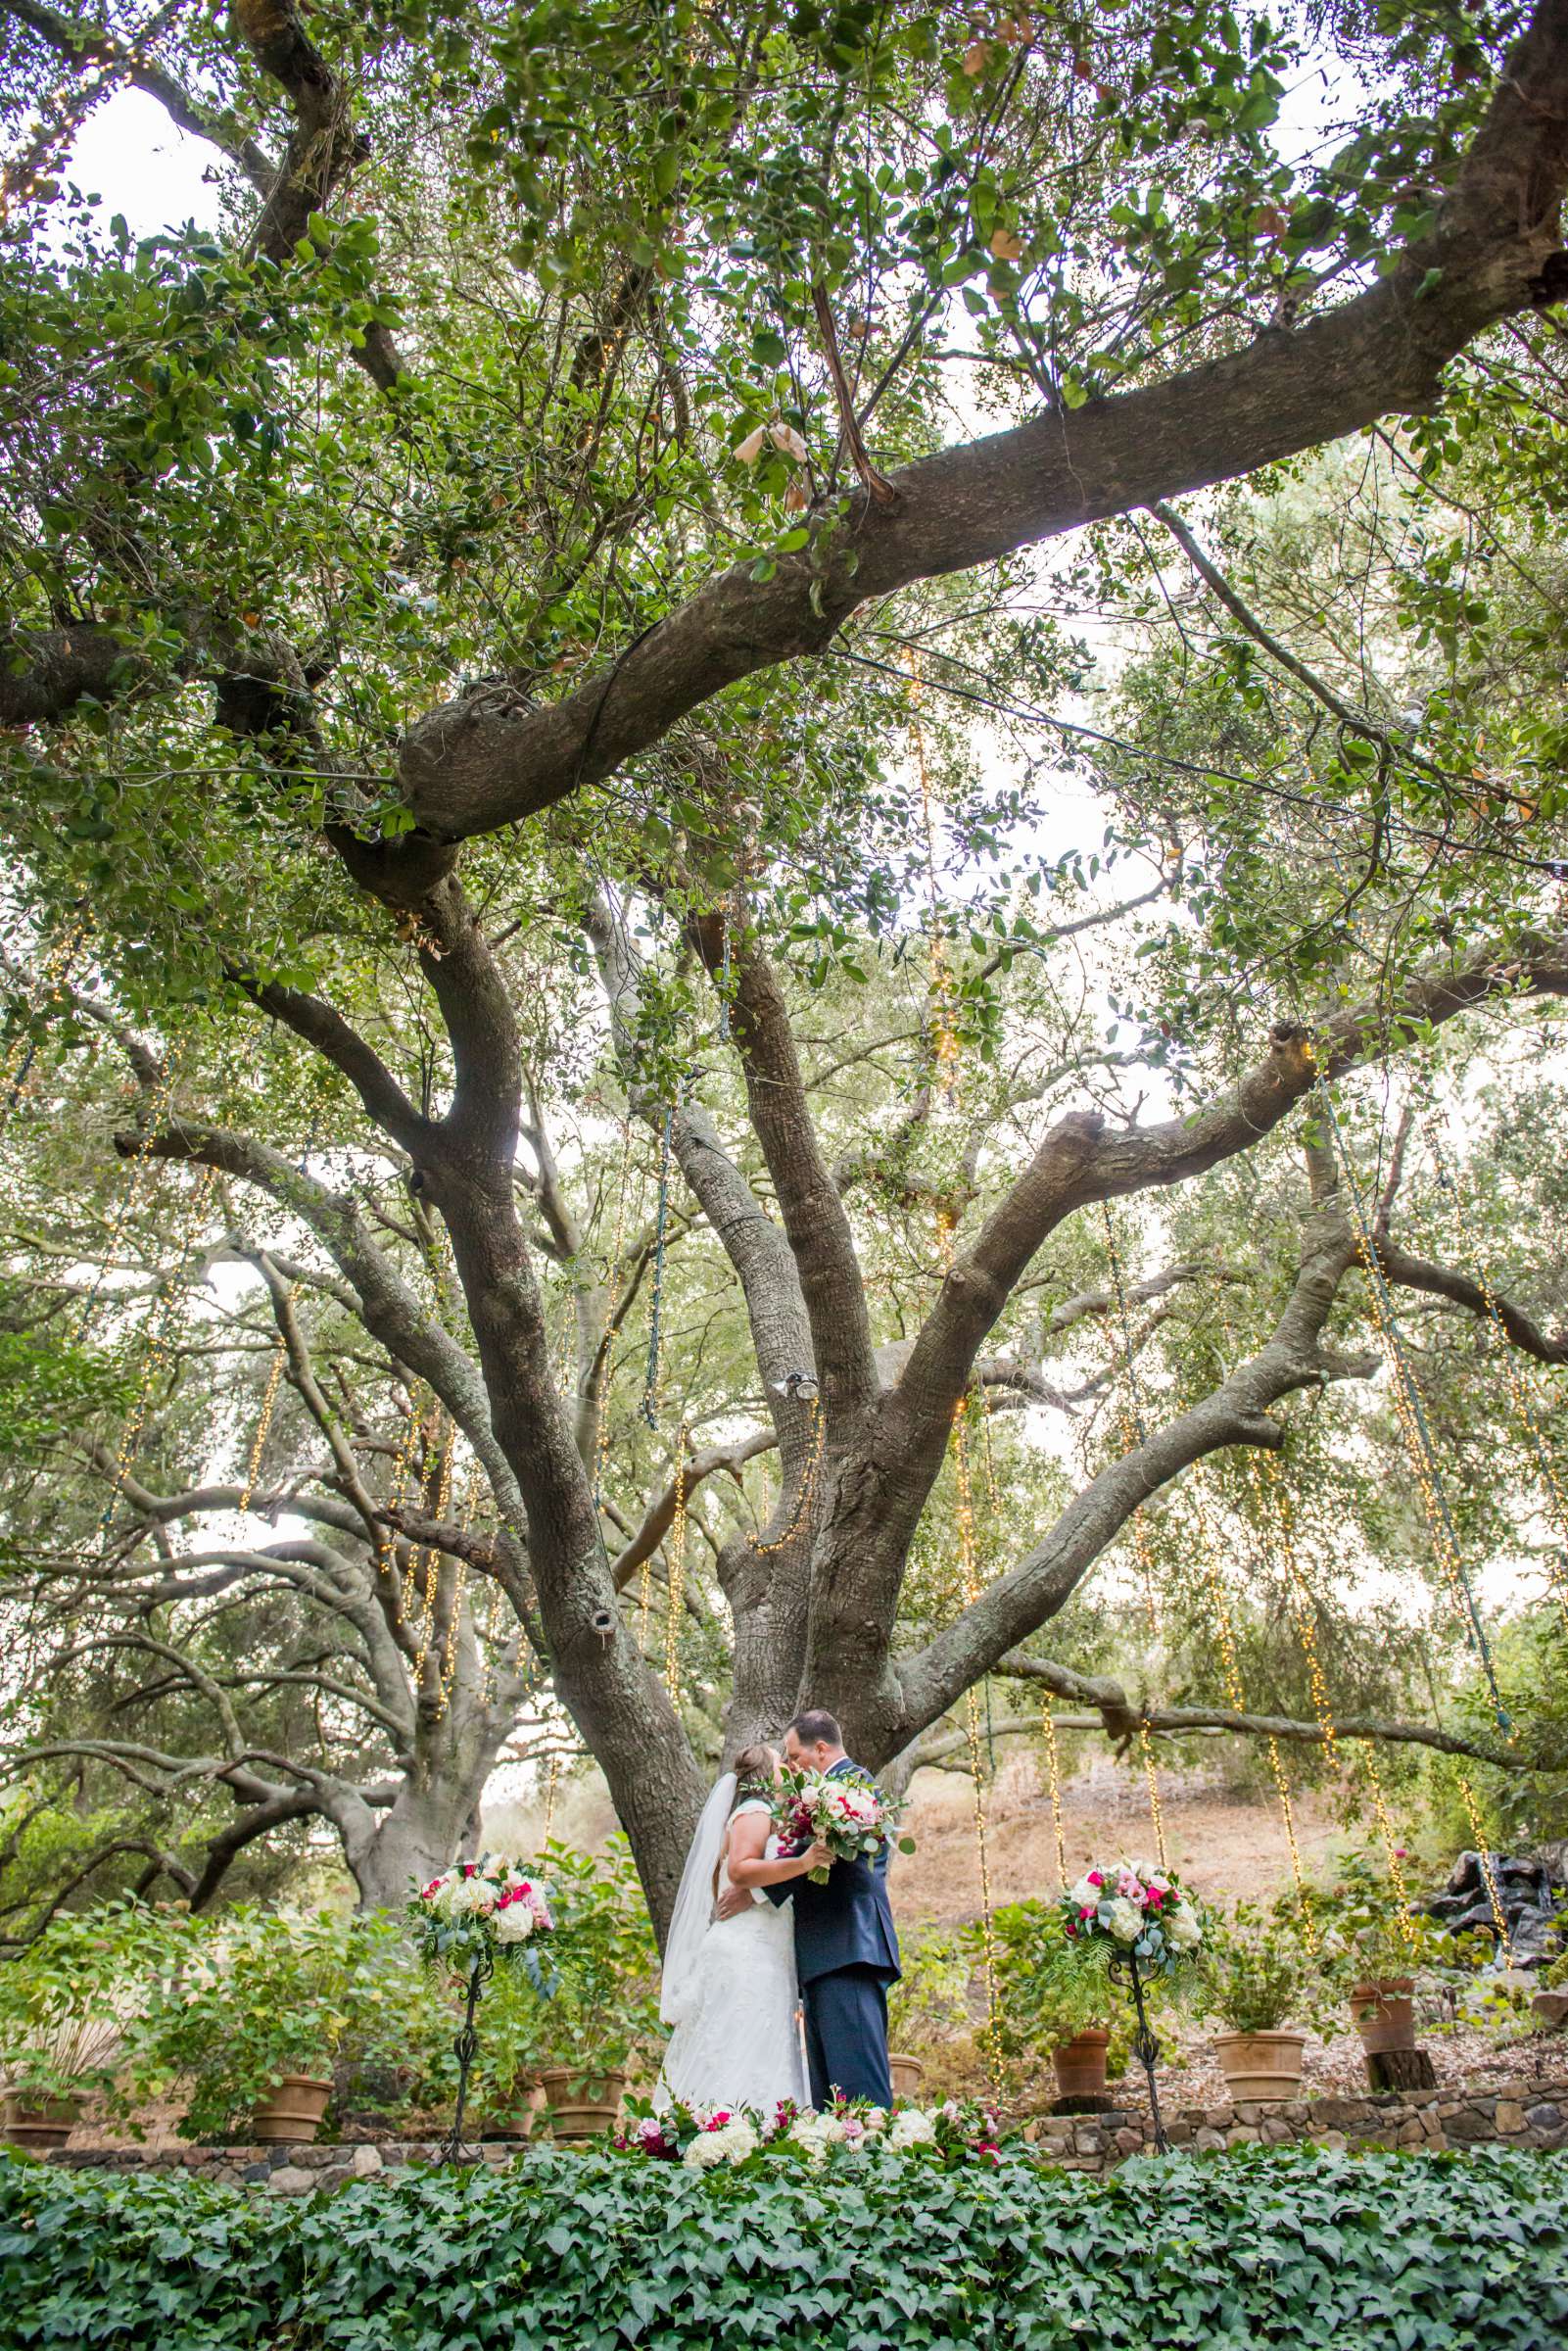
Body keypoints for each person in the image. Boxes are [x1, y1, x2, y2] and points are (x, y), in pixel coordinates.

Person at [723, 1707, 900, 2108]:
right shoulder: (819, 1796)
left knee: (857, 2084)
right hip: (823, 1954)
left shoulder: (853, 1786)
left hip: (850, 1947)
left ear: (820, 1749)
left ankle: (875, 2161)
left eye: (793, 1756)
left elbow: (828, 1856)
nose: (787, 1765)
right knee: (828, 2090)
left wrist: (756, 1891)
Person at [655, 1742, 830, 2113]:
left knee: (756, 2044)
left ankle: (749, 2132)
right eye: (780, 1761)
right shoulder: (754, 1810)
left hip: (765, 1948)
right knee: (738, 2043)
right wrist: (805, 1863)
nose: (788, 1766)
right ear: (766, 1773)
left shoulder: (772, 1816)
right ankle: (725, 2131)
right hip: (748, 1950)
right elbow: (740, 1869)